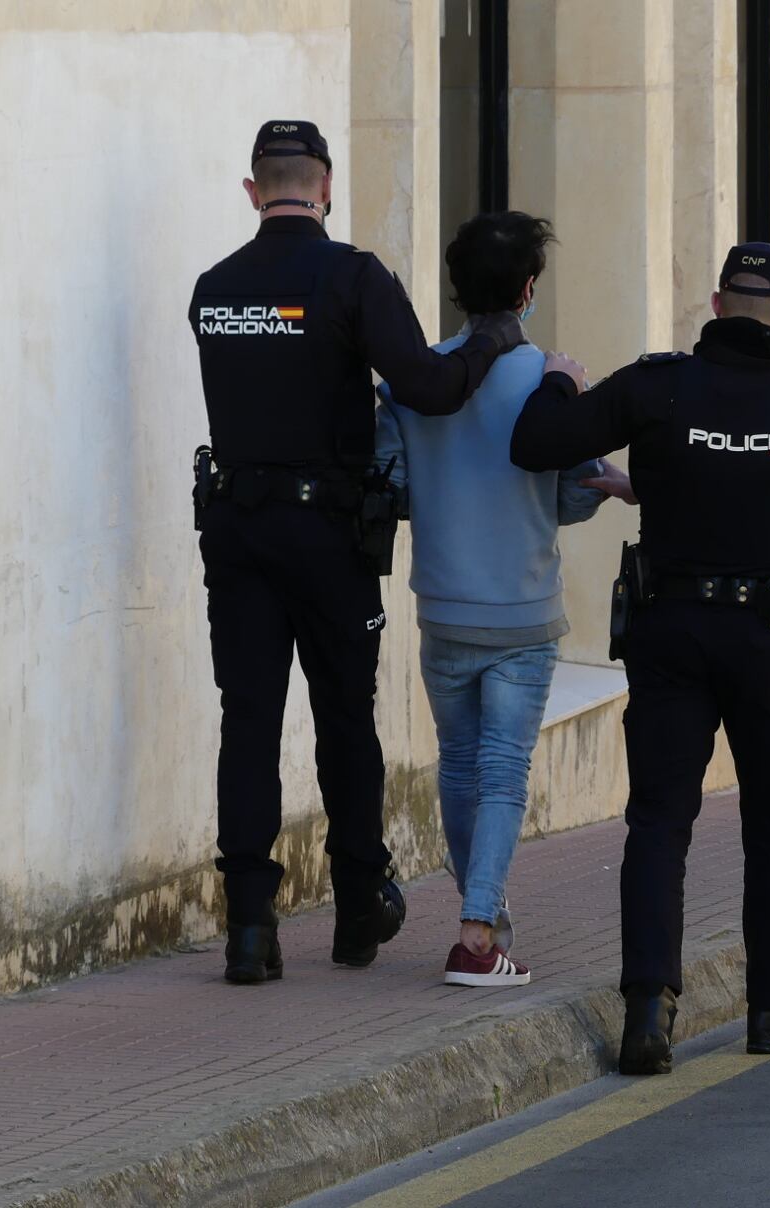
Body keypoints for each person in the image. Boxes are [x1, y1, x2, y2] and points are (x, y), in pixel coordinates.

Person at [188, 120, 528, 985]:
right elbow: (428, 387)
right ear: (327, 187)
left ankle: (251, 930)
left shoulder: (212, 288)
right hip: (327, 534)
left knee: (249, 720)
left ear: (253, 190)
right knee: (345, 719)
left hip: (235, 528)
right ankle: (355, 912)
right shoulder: (350, 276)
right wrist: (494, 338)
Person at [510, 242, 770, 1070]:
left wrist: (561, 376)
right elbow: (749, 478)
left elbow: (538, 440)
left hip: (672, 633)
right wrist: (665, 479)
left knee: (660, 821)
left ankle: (647, 1018)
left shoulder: (657, 385)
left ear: (714, 302)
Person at [374, 211, 635, 988]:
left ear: (457, 290)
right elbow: (578, 497)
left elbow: (396, 490)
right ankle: (478, 934)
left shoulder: (417, 381)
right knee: (502, 772)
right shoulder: (546, 377)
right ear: (529, 289)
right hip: (522, 610)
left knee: (460, 765)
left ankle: (483, 912)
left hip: (443, 604)